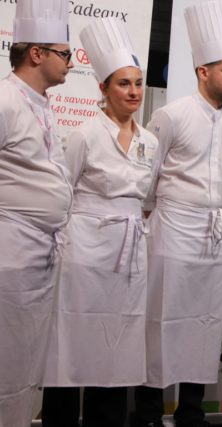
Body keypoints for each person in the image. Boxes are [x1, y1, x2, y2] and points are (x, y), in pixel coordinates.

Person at [133, 1, 222, 426]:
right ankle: (148, 411)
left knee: (205, 322)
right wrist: (153, 217)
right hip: (171, 228)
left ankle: (191, 410)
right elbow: (146, 175)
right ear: (203, 71)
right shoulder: (171, 115)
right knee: (159, 318)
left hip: (213, 233)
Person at [39, 18, 156, 427]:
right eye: (124, 84)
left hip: (130, 255)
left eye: (138, 83)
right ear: (103, 88)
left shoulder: (150, 142)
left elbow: (147, 199)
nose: (134, 92)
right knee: (72, 341)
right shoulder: (85, 135)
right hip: (83, 253)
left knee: (117, 345)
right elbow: (63, 192)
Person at [0, 0, 73, 425]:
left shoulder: (41, 104)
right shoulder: (4, 100)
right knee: (6, 360)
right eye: (64, 53)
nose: (71, 62)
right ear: (36, 53)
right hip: (10, 255)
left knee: (27, 363)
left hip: (38, 256)